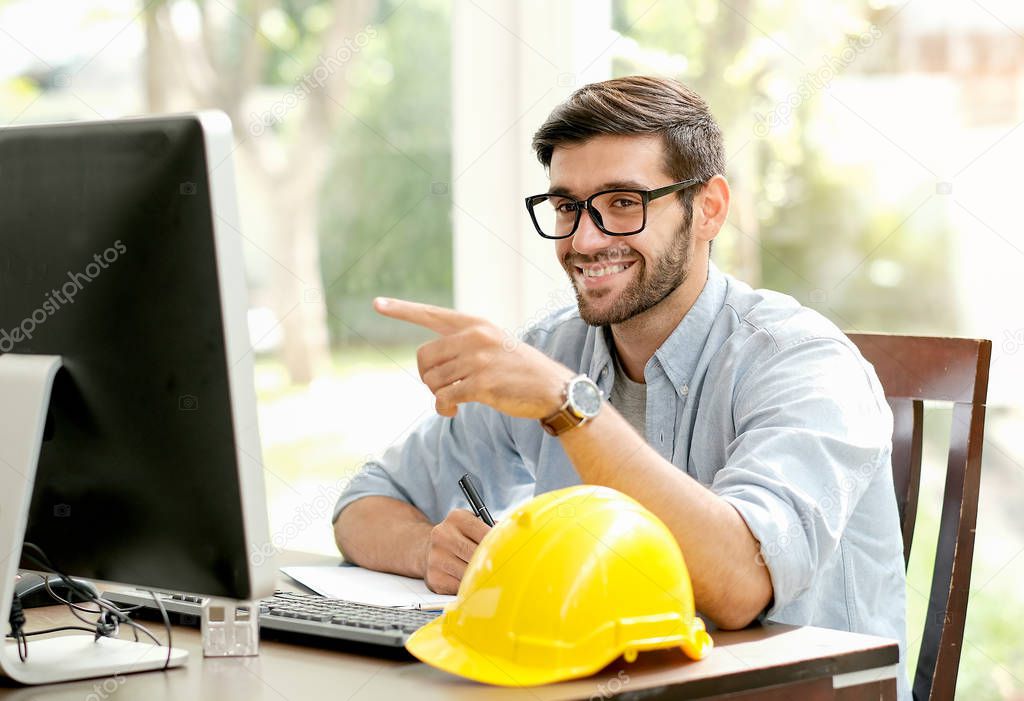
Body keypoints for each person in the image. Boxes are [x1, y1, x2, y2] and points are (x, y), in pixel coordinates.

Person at [332, 75, 907, 694]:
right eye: (566, 206)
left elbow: (740, 587)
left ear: (708, 207)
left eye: (623, 203)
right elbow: (363, 504)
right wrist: (426, 552)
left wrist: (568, 405)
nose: (584, 239)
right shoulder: (554, 350)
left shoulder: (804, 362)